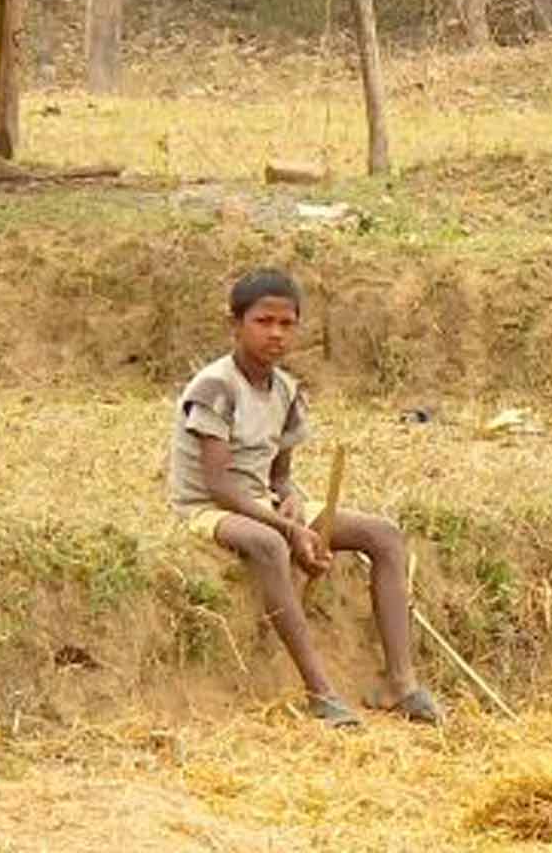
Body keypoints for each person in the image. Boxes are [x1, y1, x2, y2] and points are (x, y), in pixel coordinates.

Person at [167, 268, 442, 729]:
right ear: (235, 324)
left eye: (286, 323)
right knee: (271, 547)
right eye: (263, 321)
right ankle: (320, 691)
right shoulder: (215, 387)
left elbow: (280, 475)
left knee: (385, 535)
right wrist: (289, 528)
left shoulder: (287, 391)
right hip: (209, 510)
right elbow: (219, 486)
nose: (275, 333)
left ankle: (402, 682)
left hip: (263, 505)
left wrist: (289, 500)